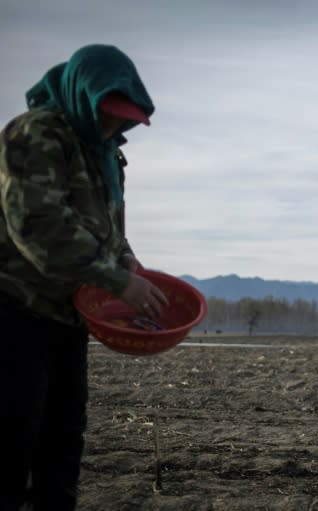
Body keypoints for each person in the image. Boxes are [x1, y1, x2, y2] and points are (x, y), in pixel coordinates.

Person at [0, 44, 169, 510]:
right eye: (107, 116)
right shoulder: (35, 135)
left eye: (122, 120)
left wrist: (128, 261)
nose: (113, 127)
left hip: (70, 315)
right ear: (81, 95)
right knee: (13, 435)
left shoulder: (106, 153)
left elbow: (107, 228)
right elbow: (40, 228)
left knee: (63, 438)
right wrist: (116, 281)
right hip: (17, 308)